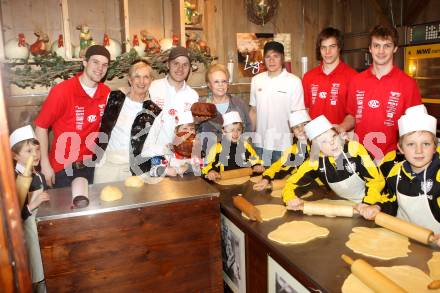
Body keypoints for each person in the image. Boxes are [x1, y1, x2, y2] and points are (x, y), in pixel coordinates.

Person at [339, 25, 422, 161]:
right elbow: (352, 116)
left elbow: (416, 127)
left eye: (387, 46)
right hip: (359, 158)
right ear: (370, 49)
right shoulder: (356, 81)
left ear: (395, 48)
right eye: (376, 45)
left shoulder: (408, 84)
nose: (381, 51)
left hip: (392, 158)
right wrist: (341, 127)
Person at [357, 106, 440, 242]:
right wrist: (378, 207)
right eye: (411, 144)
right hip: (402, 238)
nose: (419, 151)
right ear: (401, 148)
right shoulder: (395, 172)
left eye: (426, 144)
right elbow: (392, 201)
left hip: (435, 244)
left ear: (435, 147)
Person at [35, 45, 111, 188]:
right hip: (63, 168)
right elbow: (41, 127)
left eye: (105, 65)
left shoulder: (106, 92)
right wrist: (44, 164)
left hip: (92, 165)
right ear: (85, 62)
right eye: (95, 62)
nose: (100, 68)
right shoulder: (62, 91)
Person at [282, 115, 386, 210]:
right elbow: (292, 183)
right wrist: (290, 198)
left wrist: (367, 203)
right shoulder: (315, 162)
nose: (332, 142)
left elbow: (376, 180)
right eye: (324, 141)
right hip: (346, 206)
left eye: (333, 136)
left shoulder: (355, 150)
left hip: (374, 203)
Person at [93, 60, 162, 183]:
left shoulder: (154, 111)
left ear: (151, 80)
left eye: (146, 77)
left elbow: (151, 145)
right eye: (137, 76)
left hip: (134, 169)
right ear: (130, 79)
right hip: (106, 164)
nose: (141, 81)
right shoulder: (114, 98)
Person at [249, 41, 305, 165]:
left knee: (281, 182)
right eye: (268, 57)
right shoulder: (256, 80)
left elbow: (299, 114)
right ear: (264, 59)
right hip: (260, 144)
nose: (272, 60)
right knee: (258, 180)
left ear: (283, 58)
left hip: (284, 145)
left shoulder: (294, 81)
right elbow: (253, 111)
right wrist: (248, 135)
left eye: (276, 56)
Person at [10, 125, 50, 285]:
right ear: (14, 155)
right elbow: (12, 221)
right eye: (28, 151)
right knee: (33, 274)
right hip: (26, 237)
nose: (35, 154)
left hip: (40, 233)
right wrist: (32, 205)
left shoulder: (38, 175)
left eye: (37, 149)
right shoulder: (12, 180)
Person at [147, 46, 199, 159]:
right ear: (168, 65)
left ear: (190, 68)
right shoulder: (152, 87)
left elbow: (191, 131)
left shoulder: (193, 95)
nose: (180, 68)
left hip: (181, 158)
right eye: (176, 63)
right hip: (153, 155)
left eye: (185, 65)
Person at [302, 27, 357, 125]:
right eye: (323, 47)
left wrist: (341, 128)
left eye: (332, 46)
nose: (327, 52)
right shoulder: (308, 77)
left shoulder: (353, 76)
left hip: (340, 136)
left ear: (339, 47)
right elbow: (305, 109)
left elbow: (354, 114)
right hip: (313, 137)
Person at [198, 64, 251, 154]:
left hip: (237, 158)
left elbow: (248, 130)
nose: (221, 85)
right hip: (210, 161)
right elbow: (195, 134)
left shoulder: (239, 104)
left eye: (224, 81)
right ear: (209, 85)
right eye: (216, 82)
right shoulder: (201, 107)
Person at [253, 109, 311, 191]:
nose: (301, 129)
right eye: (296, 127)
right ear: (293, 132)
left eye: (304, 125)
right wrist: (266, 179)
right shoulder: (293, 150)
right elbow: (278, 166)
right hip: (298, 185)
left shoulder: (321, 146)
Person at [203, 111, 265, 181]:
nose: (235, 134)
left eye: (238, 130)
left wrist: (257, 165)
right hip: (224, 181)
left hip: (244, 180)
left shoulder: (245, 146)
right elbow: (207, 165)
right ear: (223, 131)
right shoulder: (216, 148)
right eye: (231, 130)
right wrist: (211, 171)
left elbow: (255, 159)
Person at [148, 111, 201, 177]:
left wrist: (187, 167)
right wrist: (165, 171)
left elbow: (202, 168)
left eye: (192, 129)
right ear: (176, 131)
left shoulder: (197, 149)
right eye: (185, 129)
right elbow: (152, 171)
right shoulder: (167, 149)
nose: (189, 132)